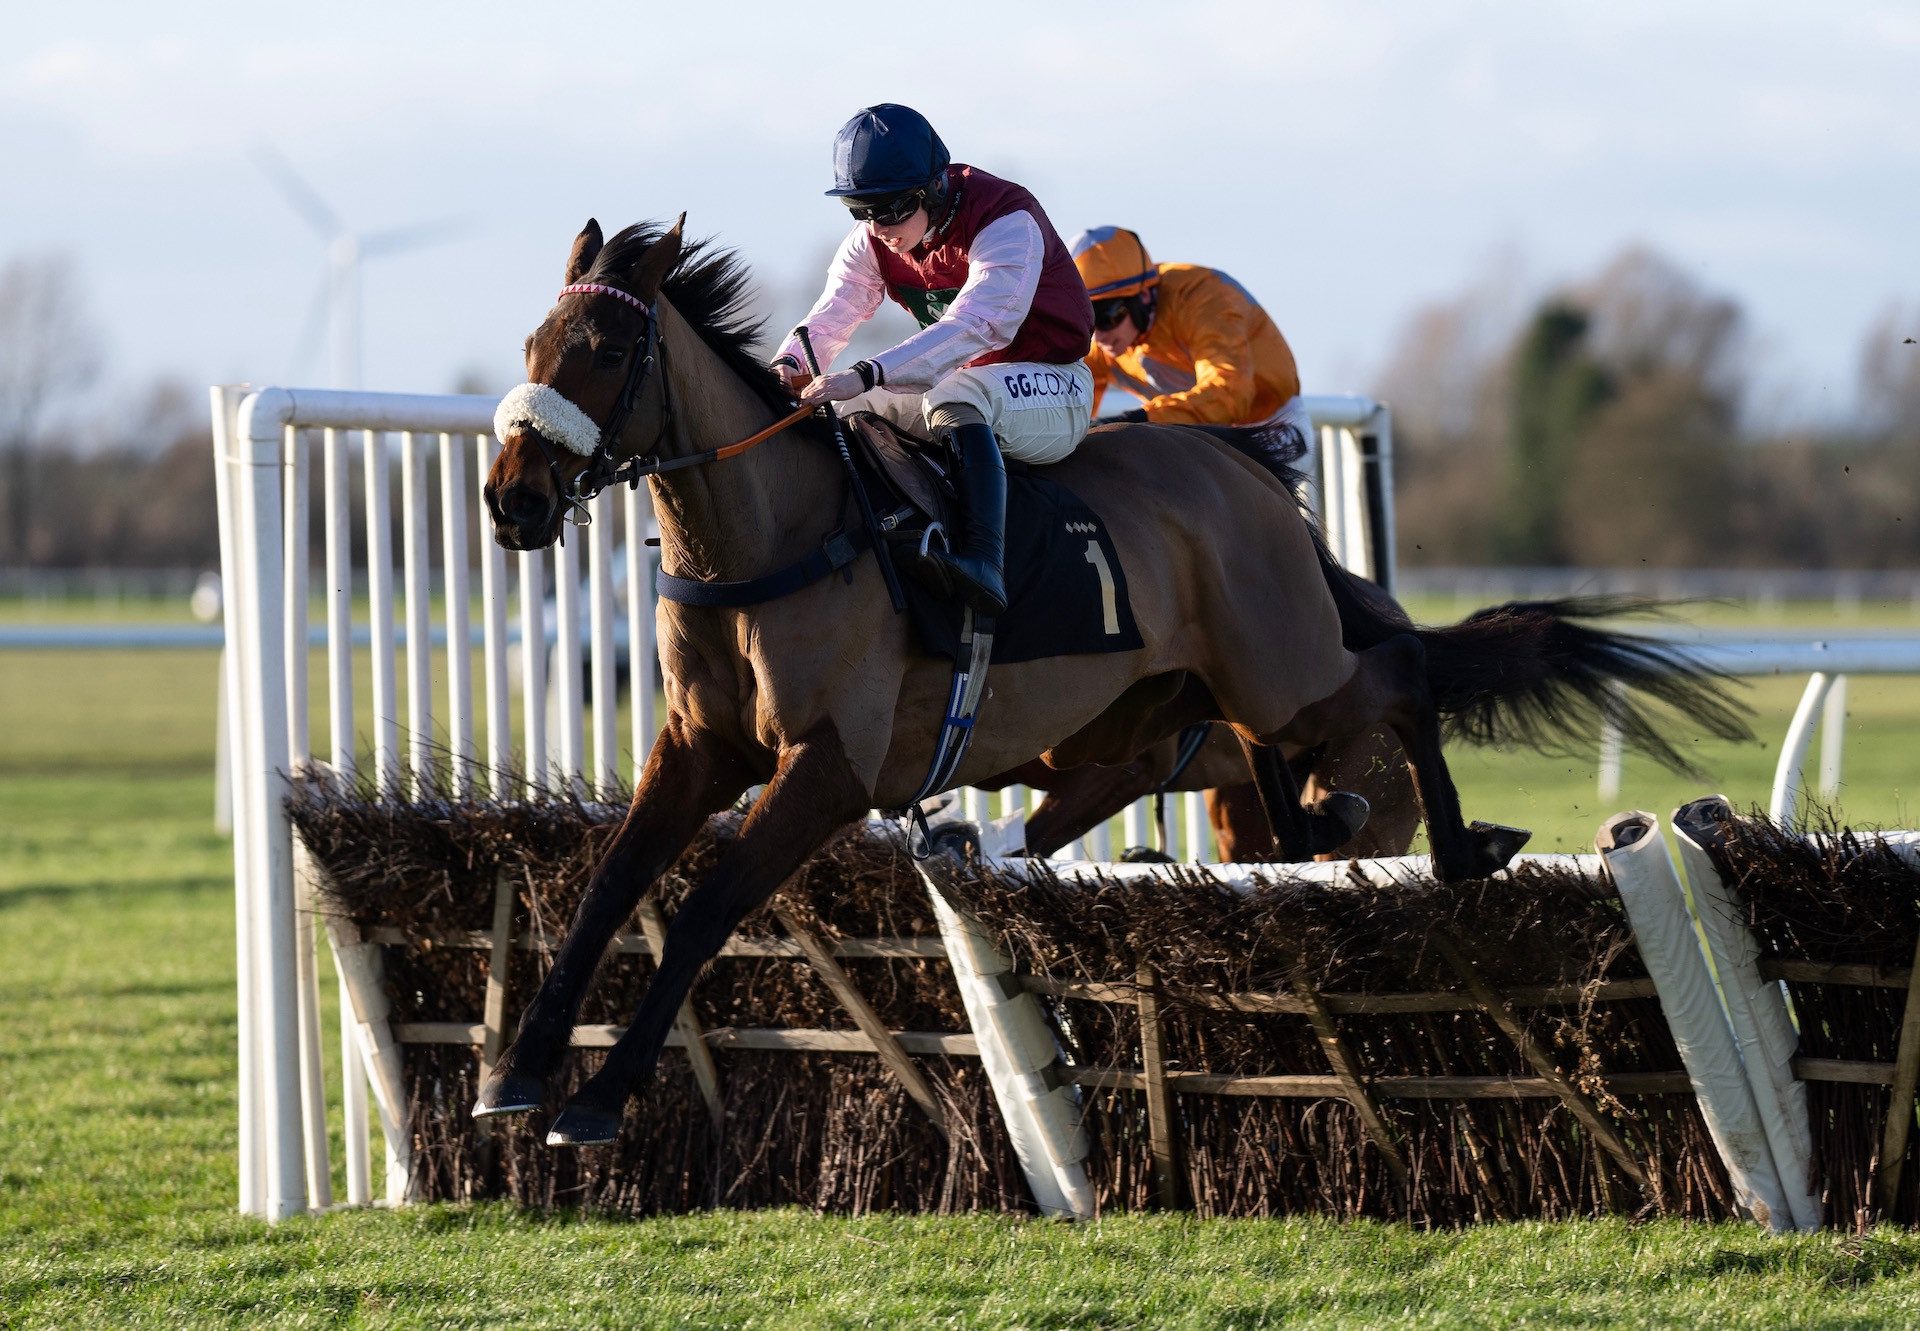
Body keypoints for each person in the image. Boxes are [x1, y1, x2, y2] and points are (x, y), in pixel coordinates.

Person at [772, 104, 1095, 617]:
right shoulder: (875, 242)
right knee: (845, 410)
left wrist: (864, 373)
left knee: (950, 393)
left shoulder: (1007, 219)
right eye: (860, 210)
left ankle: (983, 563)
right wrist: (788, 363)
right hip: (974, 387)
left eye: (889, 209)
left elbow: (978, 326)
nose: (876, 228)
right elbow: (832, 313)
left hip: (1058, 385)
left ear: (933, 189)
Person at [1070, 226, 1313, 470]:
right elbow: (1071, 407)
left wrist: (1140, 419)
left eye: (1107, 317)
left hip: (1267, 424)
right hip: (1186, 434)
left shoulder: (1204, 298)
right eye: (1087, 320)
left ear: (1143, 295)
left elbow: (1230, 394)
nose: (1099, 337)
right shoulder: (1100, 344)